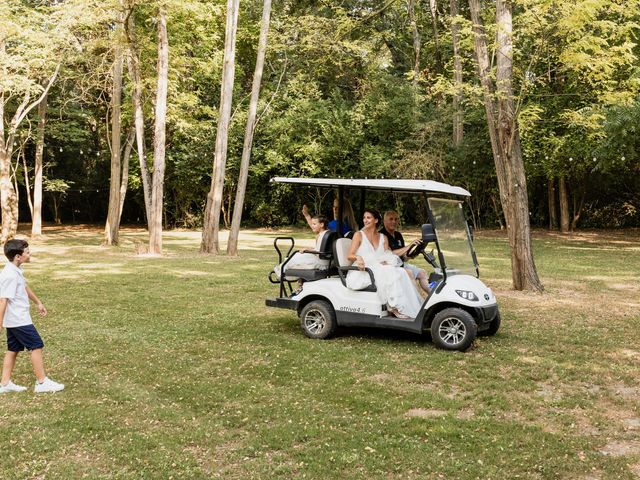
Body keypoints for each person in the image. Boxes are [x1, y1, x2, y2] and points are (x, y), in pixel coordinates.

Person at [0, 239, 64, 393]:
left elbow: (24, 287)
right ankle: (42, 383)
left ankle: (5, 384)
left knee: (13, 349)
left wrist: (38, 302)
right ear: (17, 256)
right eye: (27, 252)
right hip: (18, 319)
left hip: (16, 319)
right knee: (36, 345)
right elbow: (3, 299)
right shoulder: (9, 275)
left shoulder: (15, 270)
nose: (30, 254)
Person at [346, 208, 424, 319]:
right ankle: (394, 307)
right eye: (364, 218)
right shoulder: (359, 235)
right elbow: (350, 255)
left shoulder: (383, 237)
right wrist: (358, 257)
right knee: (390, 272)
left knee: (401, 272)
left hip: (378, 267)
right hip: (363, 271)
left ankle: (410, 305)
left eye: (368, 218)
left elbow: (389, 255)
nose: (365, 220)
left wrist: (387, 261)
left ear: (376, 220)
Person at [380, 210, 431, 294]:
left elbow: (403, 257)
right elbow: (390, 254)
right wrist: (409, 245)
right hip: (390, 266)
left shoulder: (398, 235)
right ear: (384, 221)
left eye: (396, 219)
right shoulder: (382, 235)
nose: (394, 222)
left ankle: (432, 298)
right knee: (409, 273)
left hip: (401, 264)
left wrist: (411, 255)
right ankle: (417, 301)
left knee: (422, 273)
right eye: (391, 219)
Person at [275, 210, 330, 285]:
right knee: (298, 256)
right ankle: (297, 279)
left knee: (296, 256)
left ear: (321, 224)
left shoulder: (321, 235)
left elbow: (319, 251)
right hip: (326, 260)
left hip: (321, 261)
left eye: (314, 224)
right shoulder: (328, 233)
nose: (312, 226)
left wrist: (307, 249)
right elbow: (321, 249)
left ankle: (281, 272)